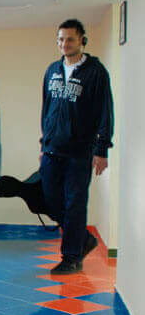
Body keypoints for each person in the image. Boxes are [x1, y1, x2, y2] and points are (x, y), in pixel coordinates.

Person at [39, 19, 113, 274]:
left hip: (79, 153)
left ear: (82, 40)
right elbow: (47, 109)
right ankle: (83, 238)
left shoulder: (96, 72)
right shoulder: (52, 70)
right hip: (52, 149)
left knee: (74, 204)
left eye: (70, 39)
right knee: (49, 200)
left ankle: (71, 257)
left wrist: (101, 149)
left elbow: (105, 111)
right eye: (60, 39)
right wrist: (44, 143)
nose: (64, 44)